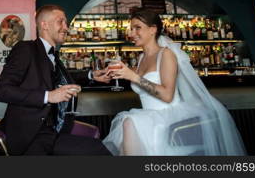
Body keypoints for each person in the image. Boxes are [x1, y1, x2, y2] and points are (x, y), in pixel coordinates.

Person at [102, 9, 246, 155]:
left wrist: (133, 77)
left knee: (129, 122)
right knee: (129, 124)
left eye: (137, 28)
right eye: (131, 28)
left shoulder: (166, 54)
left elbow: (167, 95)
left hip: (168, 117)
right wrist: (108, 74)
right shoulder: (141, 58)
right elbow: (133, 75)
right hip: (149, 116)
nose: (131, 33)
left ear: (153, 29)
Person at [0, 5, 112, 155]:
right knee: (97, 150)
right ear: (44, 25)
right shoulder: (25, 49)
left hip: (54, 132)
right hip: (32, 136)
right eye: (60, 22)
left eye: (66, 22)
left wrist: (91, 75)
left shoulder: (53, 56)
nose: (66, 27)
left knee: (97, 147)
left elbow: (63, 77)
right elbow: (2, 91)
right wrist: (49, 96)